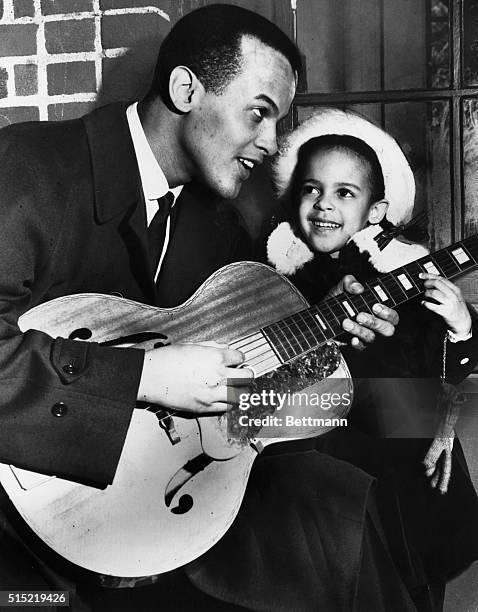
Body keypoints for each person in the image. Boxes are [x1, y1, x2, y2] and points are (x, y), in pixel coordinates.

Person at [0, 5, 413, 610]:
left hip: (160, 500)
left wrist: (324, 332)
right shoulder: (29, 170)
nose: (272, 145)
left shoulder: (216, 227)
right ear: (186, 88)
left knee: (335, 504)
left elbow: (243, 398)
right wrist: (147, 376)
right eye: (260, 112)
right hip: (23, 515)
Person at [264, 107, 478, 611]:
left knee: (412, 587)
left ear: (375, 212)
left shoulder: (404, 275)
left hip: (403, 480)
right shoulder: (274, 277)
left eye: (344, 193)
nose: (322, 205)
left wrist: (460, 324)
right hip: (324, 481)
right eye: (311, 189)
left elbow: (440, 381)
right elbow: (260, 395)